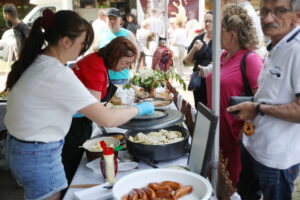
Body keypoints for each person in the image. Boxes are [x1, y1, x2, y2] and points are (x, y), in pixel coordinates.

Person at [3, 9, 154, 200]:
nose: (82, 50)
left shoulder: (37, 61)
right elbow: (106, 119)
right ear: (66, 42)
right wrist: (139, 108)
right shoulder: (57, 73)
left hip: (21, 148)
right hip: (37, 154)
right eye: (82, 44)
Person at [227, 0, 300, 199]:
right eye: (264, 11)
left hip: (277, 160)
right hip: (254, 147)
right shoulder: (277, 45)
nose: (268, 18)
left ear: (297, 15)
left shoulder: (297, 50)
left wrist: (257, 108)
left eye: (279, 11)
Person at [62, 36, 137, 184]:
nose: (127, 67)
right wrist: (137, 110)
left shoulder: (97, 60)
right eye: (126, 62)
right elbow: (95, 108)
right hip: (71, 124)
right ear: (115, 56)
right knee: (71, 168)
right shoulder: (95, 66)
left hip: (77, 120)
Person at [206, 4, 263, 187]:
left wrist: (247, 128)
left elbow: (263, 100)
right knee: (218, 183)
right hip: (217, 133)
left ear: (232, 34)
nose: (215, 34)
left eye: (219, 30)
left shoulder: (250, 59)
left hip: (235, 137)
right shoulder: (223, 55)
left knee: (232, 186)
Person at [98, 8, 139, 85]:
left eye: (114, 19)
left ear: (120, 20)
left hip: (121, 78)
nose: (112, 21)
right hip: (103, 77)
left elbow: (137, 54)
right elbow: (94, 52)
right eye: (110, 18)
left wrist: (125, 63)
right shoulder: (100, 34)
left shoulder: (128, 34)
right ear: (106, 20)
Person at [184, 11, 213, 107]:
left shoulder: (221, 40)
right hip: (198, 82)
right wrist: (194, 49)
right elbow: (187, 62)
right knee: (199, 107)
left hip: (214, 81)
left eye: (211, 21)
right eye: (206, 21)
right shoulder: (198, 38)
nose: (208, 24)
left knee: (212, 108)